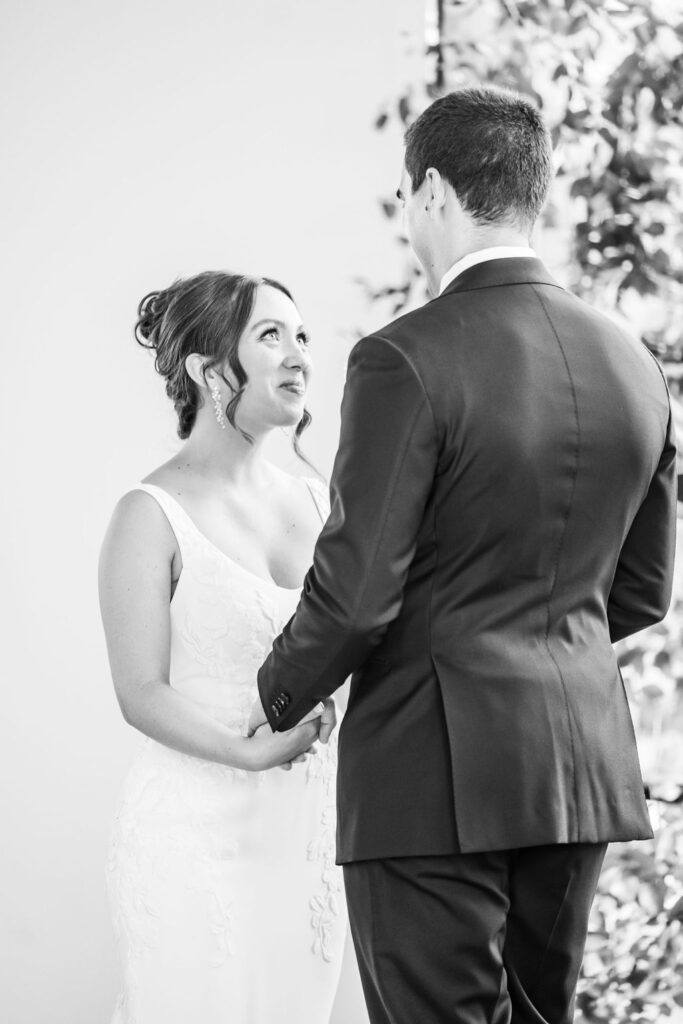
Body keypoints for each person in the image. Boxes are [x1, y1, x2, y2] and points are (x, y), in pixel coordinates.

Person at [249, 87, 677, 1024]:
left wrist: (274, 692)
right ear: (536, 190)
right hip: (575, 779)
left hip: (430, 780)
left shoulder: (403, 358)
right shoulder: (633, 363)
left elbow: (357, 593)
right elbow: (641, 591)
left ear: (432, 191)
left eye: (407, 198)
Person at [99, 271, 346, 1024]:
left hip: (306, 837)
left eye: (301, 335)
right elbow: (140, 691)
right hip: (193, 836)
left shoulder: (317, 502)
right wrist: (246, 754)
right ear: (211, 372)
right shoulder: (149, 514)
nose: (299, 354)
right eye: (270, 335)